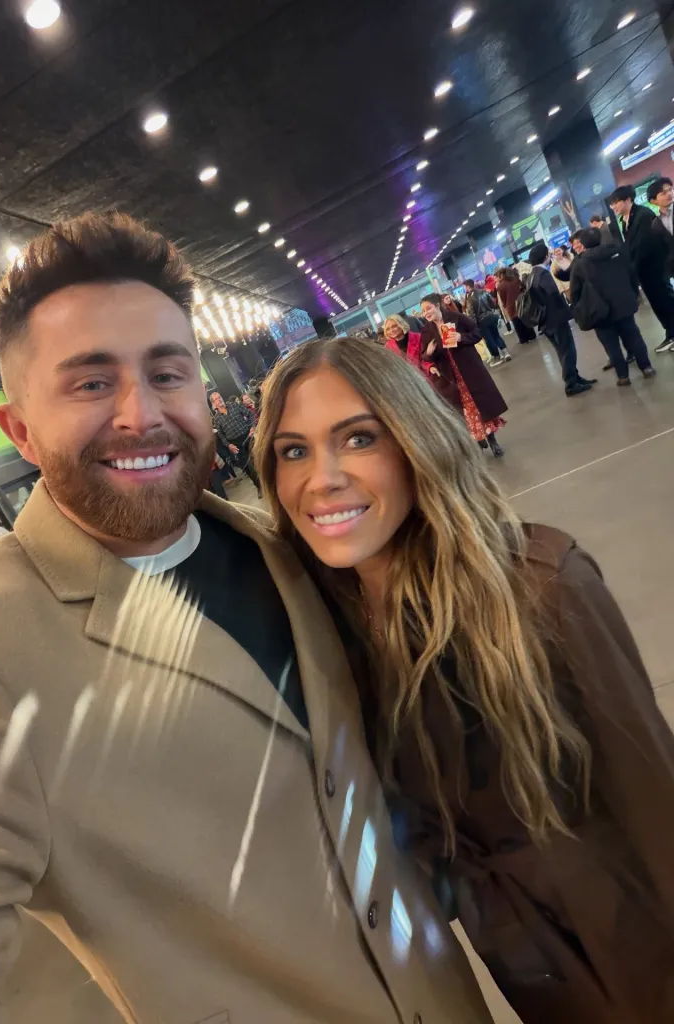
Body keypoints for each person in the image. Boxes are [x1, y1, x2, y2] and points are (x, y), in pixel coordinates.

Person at [0, 213, 494, 1023]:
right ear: (21, 432)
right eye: (89, 382)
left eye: (167, 372)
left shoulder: (285, 553)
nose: (139, 413)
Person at [254, 335, 674, 1024]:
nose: (320, 478)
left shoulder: (540, 589)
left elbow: (656, 805)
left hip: (639, 951)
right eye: (292, 450)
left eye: (358, 439)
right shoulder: (332, 635)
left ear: (415, 443)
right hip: (522, 967)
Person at [419, 293, 507, 457]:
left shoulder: (456, 317)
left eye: (428, 308)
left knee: (480, 408)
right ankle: (478, 441)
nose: (426, 313)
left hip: (469, 370)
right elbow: (424, 355)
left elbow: (477, 332)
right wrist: (428, 353)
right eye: (423, 311)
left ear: (438, 305)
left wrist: (461, 337)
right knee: (464, 412)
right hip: (449, 377)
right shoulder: (426, 331)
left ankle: (492, 441)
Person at [567, 227, 654, 386]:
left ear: (583, 243)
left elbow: (575, 292)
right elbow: (632, 274)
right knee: (634, 337)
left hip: (599, 310)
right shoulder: (617, 252)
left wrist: (580, 308)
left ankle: (623, 377)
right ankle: (646, 367)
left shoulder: (580, 264)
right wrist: (632, 293)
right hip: (624, 303)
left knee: (611, 345)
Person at [609, 184, 674, 353]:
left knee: (665, 299)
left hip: (655, 267)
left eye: (615, 203)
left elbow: (646, 244)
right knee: (657, 302)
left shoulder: (643, 215)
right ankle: (670, 333)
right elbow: (629, 247)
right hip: (643, 271)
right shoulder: (625, 221)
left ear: (628, 199)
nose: (613, 207)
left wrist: (632, 266)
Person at [528, 241, 595, 396]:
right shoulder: (543, 274)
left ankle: (575, 378)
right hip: (555, 319)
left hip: (545, 322)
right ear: (544, 256)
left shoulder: (532, 276)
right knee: (568, 350)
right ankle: (571, 383)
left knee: (562, 351)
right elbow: (552, 294)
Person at [210, 389, 261, 492]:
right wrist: (229, 445)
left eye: (219, 397)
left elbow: (250, 415)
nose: (219, 400)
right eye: (216, 399)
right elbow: (221, 435)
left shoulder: (234, 406)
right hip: (235, 444)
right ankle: (259, 487)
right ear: (214, 403)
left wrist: (252, 427)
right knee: (247, 467)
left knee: (258, 459)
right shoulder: (216, 419)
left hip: (248, 436)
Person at [463, 279, 511, 366]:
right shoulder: (483, 291)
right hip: (491, 317)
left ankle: (497, 357)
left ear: (467, 286)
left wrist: (473, 326)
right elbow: (492, 304)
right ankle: (506, 353)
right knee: (496, 335)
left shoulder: (470, 298)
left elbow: (471, 314)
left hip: (482, 321)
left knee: (489, 339)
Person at [495, 267, 536, 344]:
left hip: (511, 306)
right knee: (525, 319)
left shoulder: (500, 286)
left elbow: (503, 298)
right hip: (521, 302)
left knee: (517, 323)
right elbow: (523, 288)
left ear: (501, 275)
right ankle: (532, 335)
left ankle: (523, 339)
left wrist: (505, 305)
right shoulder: (515, 279)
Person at [646, 176, 674, 287]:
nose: (669, 194)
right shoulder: (655, 224)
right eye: (663, 193)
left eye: (670, 189)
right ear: (653, 201)